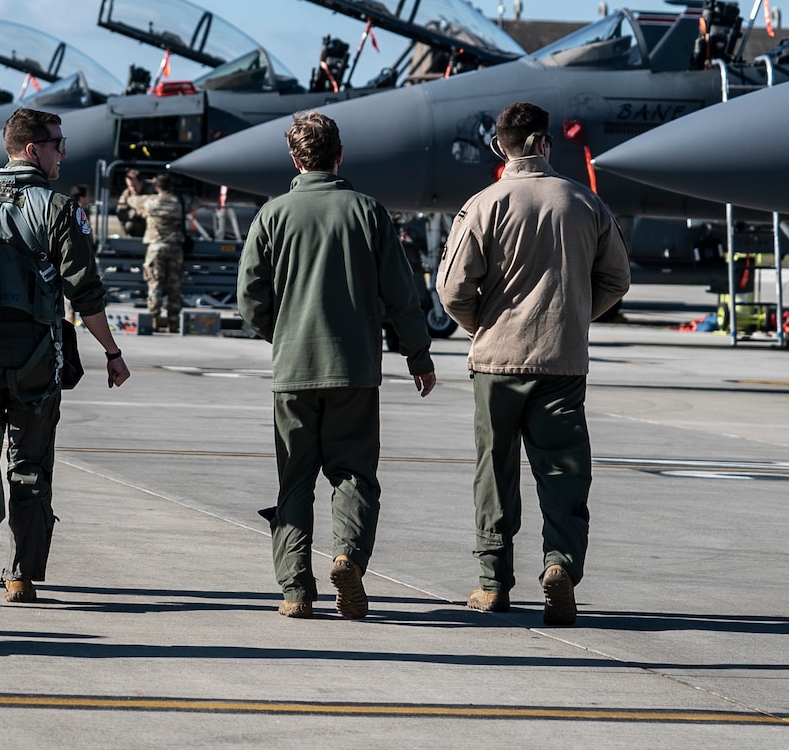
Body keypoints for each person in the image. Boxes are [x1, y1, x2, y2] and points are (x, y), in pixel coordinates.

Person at [236, 112, 435, 621]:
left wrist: (281, 335)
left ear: (295, 159)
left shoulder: (272, 215)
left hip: (294, 370)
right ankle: (348, 557)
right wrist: (418, 354)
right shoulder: (369, 213)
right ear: (339, 155)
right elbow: (401, 294)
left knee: (295, 478)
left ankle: (295, 590)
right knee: (354, 475)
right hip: (355, 371)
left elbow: (249, 296)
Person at [436, 102, 629, 627]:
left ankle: (493, 582)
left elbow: (453, 289)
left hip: (497, 363)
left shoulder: (484, 204)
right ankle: (560, 564)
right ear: (545, 143)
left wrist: (484, 326)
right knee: (564, 472)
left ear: (501, 147)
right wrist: (569, 317)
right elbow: (617, 280)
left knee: (494, 473)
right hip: (563, 364)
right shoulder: (585, 203)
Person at [0, 108, 131, 604]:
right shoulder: (58, 208)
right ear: (33, 150)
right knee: (28, 465)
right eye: (57, 145)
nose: (62, 154)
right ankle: (20, 574)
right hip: (33, 359)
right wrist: (111, 351)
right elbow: (84, 293)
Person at [120, 170, 189, 331]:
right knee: (174, 285)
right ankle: (173, 321)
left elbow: (130, 200)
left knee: (155, 283)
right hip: (175, 247)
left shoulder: (149, 202)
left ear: (157, 187)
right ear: (171, 186)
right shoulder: (179, 202)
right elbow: (197, 202)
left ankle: (154, 319)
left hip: (155, 247)